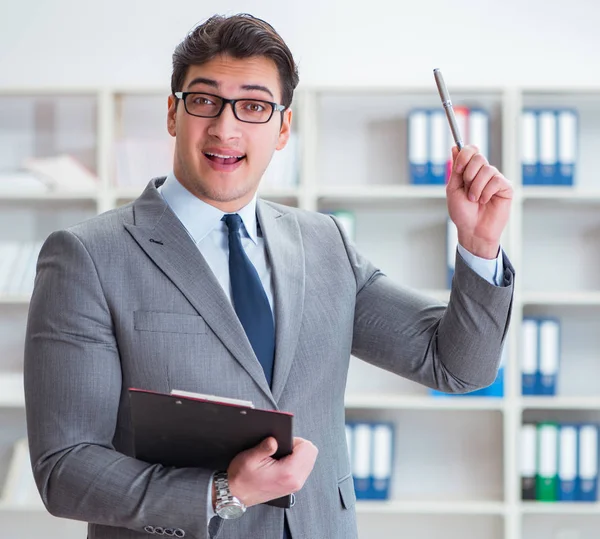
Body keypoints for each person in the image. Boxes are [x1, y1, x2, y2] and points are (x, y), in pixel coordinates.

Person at [24, 12, 515, 539]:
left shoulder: (325, 244)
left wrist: (479, 244)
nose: (225, 128)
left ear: (283, 128)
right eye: (204, 100)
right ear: (173, 113)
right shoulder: (87, 257)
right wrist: (222, 492)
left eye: (254, 106)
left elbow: (459, 366)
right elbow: (65, 469)